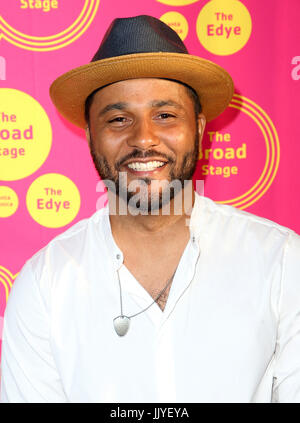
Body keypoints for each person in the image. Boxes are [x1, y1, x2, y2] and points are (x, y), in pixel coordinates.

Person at [1, 15, 300, 403]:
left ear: (199, 126)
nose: (143, 138)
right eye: (118, 119)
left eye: (165, 115)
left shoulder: (281, 262)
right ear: (91, 134)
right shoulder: (45, 286)